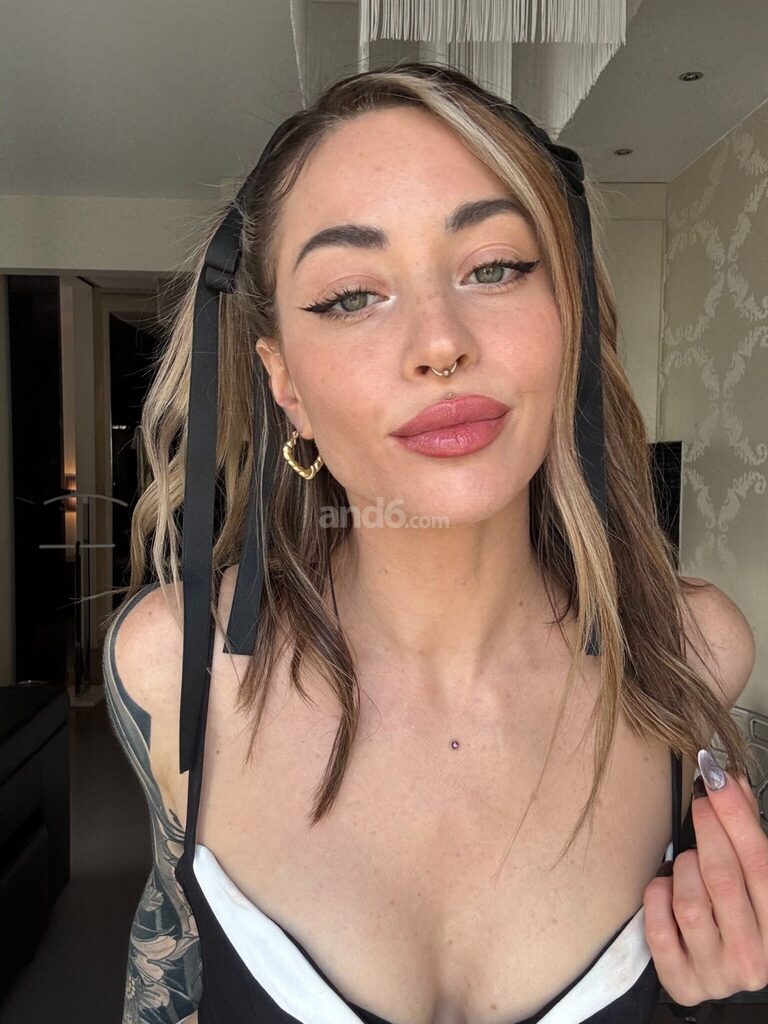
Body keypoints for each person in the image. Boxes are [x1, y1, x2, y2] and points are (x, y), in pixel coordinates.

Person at [103, 61, 756, 1024]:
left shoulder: (693, 651)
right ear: (285, 383)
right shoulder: (174, 665)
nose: (441, 342)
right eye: (350, 296)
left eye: (495, 268)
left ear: (569, 318)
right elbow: (165, 980)